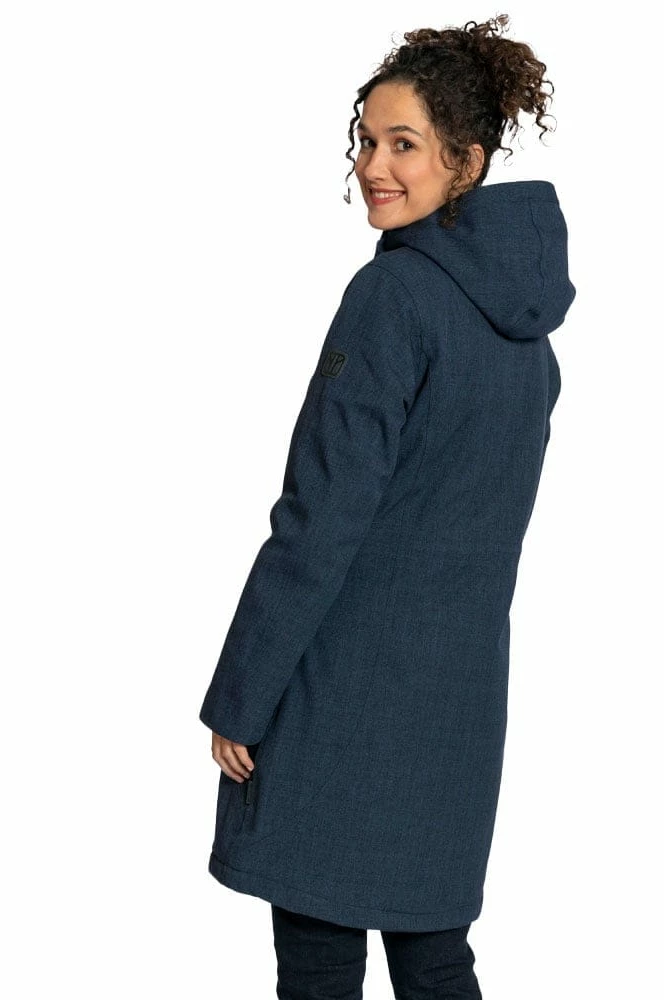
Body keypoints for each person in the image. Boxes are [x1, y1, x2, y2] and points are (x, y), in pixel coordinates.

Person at [198, 14, 575, 999]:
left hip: (342, 691)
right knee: (433, 957)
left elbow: (319, 518)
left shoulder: (393, 300)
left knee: (320, 957)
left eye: (403, 144)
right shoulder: (528, 340)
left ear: (466, 161)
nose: (373, 166)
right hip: (456, 704)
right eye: (366, 140)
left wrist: (242, 693)